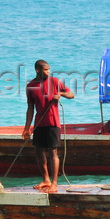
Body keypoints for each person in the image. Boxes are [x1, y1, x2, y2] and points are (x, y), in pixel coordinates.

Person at [23, 59, 74, 193]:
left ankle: (54, 183)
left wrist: (61, 94)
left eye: (49, 69)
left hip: (53, 123)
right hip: (39, 123)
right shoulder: (31, 86)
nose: (48, 72)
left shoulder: (55, 82)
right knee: (38, 152)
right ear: (38, 70)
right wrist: (26, 128)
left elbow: (71, 94)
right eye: (46, 70)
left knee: (53, 153)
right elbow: (30, 108)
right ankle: (46, 180)